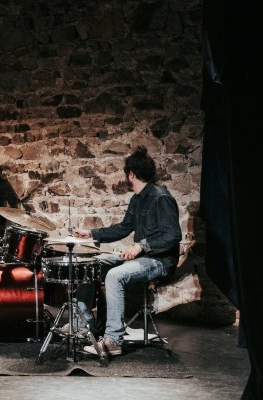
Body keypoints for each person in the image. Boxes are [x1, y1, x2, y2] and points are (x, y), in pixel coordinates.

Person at [72, 145, 182, 356]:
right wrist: (91, 233)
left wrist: (141, 245)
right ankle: (83, 327)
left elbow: (172, 235)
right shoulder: (137, 199)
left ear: (131, 174)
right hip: (143, 257)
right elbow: (123, 228)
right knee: (91, 264)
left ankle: (113, 340)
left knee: (114, 275)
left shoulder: (161, 197)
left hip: (159, 262)